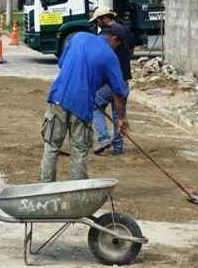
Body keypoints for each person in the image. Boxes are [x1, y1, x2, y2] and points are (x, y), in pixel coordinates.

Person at [39, 31, 130, 183]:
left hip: (58, 97)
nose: (116, 48)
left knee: (51, 146)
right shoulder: (110, 56)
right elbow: (119, 92)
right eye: (117, 45)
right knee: (79, 150)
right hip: (82, 105)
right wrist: (121, 118)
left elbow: (62, 63)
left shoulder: (78, 37)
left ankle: (45, 186)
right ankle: (76, 188)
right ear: (113, 39)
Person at [89, 7, 135, 156]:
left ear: (103, 18)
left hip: (110, 81)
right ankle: (118, 147)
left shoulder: (106, 35)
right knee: (118, 114)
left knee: (95, 106)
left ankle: (103, 139)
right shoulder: (125, 31)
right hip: (124, 80)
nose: (98, 24)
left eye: (98, 20)